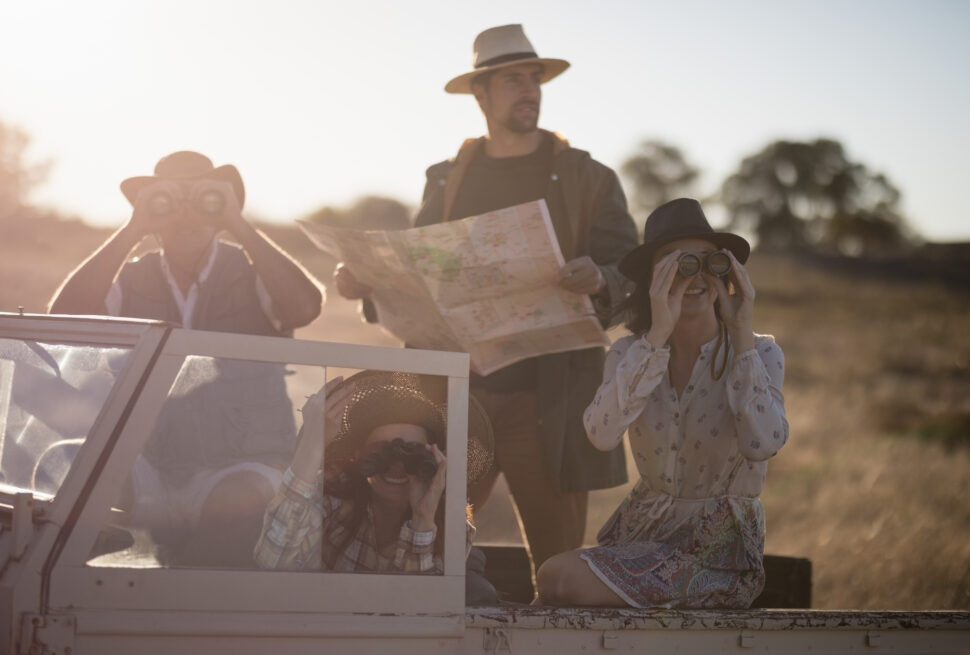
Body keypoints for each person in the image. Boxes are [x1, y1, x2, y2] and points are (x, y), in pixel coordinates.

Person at [333, 24, 638, 583]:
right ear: (481, 95)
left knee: (556, 567)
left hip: (549, 400)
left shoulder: (589, 178)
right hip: (454, 400)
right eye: (514, 80)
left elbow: (635, 276)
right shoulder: (446, 180)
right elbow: (418, 273)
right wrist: (368, 284)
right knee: (428, 548)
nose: (530, 90)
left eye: (535, 79)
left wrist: (602, 278)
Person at [47, 151, 324, 566]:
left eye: (205, 199)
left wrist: (239, 225)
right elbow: (64, 321)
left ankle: (176, 601)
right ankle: (65, 604)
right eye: (168, 202)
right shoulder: (132, 276)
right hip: (150, 463)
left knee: (239, 503)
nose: (187, 215)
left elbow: (304, 307)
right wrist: (132, 231)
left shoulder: (254, 274)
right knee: (67, 471)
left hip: (240, 460)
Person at [533, 198, 789, 608]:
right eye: (676, 264)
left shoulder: (759, 356)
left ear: (728, 275)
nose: (696, 275)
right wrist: (656, 339)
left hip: (717, 558)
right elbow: (600, 434)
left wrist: (741, 333)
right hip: (644, 540)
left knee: (559, 578)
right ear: (652, 280)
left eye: (708, 262)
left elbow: (762, 444)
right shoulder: (631, 354)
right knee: (551, 583)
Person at [254, 370, 494, 575]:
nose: (396, 466)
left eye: (412, 454)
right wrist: (312, 445)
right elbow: (271, 562)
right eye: (381, 452)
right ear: (358, 456)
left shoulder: (451, 526)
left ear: (434, 459)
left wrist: (423, 519)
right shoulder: (331, 501)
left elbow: (419, 610)